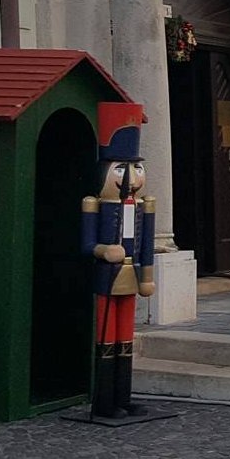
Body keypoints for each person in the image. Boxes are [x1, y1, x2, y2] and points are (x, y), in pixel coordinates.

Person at [80, 102, 157, 420]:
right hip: (108, 276)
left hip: (132, 276)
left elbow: (147, 243)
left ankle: (124, 397)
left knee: (126, 338)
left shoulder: (143, 206)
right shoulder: (94, 204)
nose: (132, 177)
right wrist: (102, 250)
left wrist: (147, 276)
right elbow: (86, 243)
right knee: (107, 337)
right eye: (122, 168)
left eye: (136, 167)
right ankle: (104, 401)